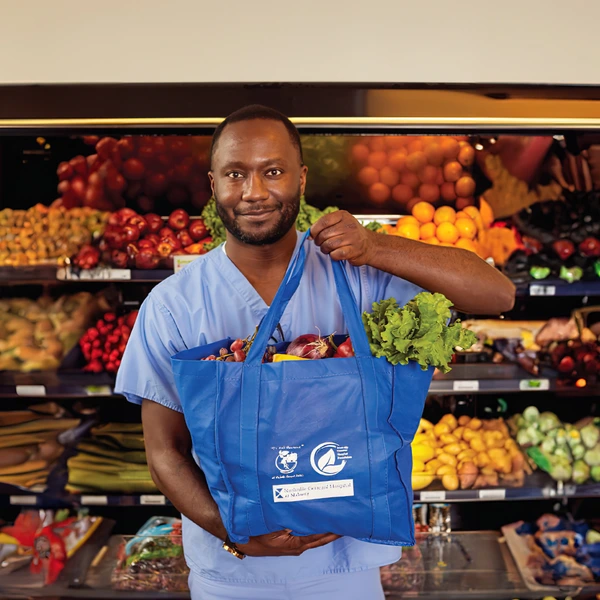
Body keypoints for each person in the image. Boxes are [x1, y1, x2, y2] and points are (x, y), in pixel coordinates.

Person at [115, 105, 515, 600]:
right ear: (213, 183)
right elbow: (164, 452)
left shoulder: (357, 274)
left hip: (346, 571)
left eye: (274, 171)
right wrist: (233, 533)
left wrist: (376, 247)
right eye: (236, 173)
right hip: (231, 577)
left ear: (301, 179)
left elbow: (498, 295)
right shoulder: (174, 304)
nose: (254, 192)